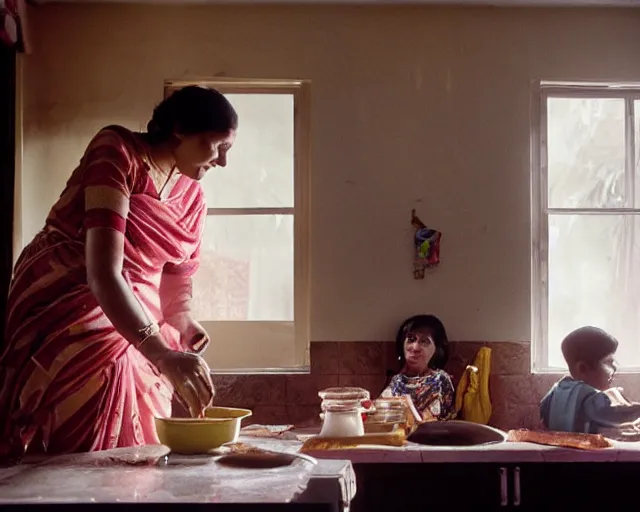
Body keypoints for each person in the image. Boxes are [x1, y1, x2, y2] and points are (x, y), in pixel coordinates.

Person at [0, 86, 237, 461]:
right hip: (73, 296)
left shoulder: (193, 197)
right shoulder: (118, 151)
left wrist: (184, 321)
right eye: (217, 145)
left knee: (141, 435)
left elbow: (176, 275)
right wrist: (160, 351)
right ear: (179, 129)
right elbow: (103, 274)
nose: (223, 162)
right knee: (82, 431)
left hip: (135, 314)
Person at [540, 326, 640, 434]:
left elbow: (544, 415)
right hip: (581, 449)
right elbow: (619, 415)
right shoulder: (590, 396)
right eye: (608, 362)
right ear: (582, 368)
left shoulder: (554, 392)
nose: (614, 367)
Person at [381, 314, 456, 421]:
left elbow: (431, 421)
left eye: (424, 341)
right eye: (411, 339)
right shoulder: (397, 381)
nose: (415, 348)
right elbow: (380, 413)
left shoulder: (440, 380)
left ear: (437, 349)